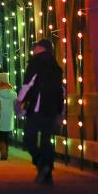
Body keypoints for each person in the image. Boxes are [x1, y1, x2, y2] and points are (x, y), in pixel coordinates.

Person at [18, 39, 64, 185]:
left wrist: (20, 101)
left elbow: (28, 84)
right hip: (52, 109)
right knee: (46, 141)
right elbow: (61, 90)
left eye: (35, 47)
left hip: (37, 106)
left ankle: (40, 163)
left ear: (41, 48)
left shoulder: (35, 63)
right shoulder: (57, 67)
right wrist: (60, 109)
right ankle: (48, 174)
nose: (33, 50)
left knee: (29, 139)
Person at [0, 72, 17, 160]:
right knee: (5, 135)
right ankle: (5, 150)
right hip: (9, 116)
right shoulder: (13, 93)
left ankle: (4, 151)